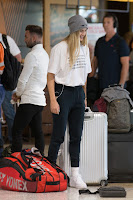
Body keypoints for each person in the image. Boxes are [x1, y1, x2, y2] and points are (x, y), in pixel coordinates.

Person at [47, 15, 92, 189]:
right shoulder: (59, 48)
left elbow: (85, 76)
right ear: (74, 30)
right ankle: (50, 171)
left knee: (76, 136)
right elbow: (50, 76)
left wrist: (84, 97)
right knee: (58, 136)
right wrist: (52, 100)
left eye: (85, 30)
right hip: (62, 92)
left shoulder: (84, 48)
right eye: (81, 30)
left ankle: (74, 174)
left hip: (78, 94)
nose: (84, 33)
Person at [10, 25, 49, 155]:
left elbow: (23, 79)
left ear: (33, 37)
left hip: (29, 99)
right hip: (39, 100)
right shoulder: (44, 54)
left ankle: (16, 161)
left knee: (16, 130)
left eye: (26, 36)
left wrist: (18, 94)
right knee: (38, 132)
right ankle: (40, 160)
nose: (25, 39)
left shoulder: (32, 55)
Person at [89, 13, 130, 94]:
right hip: (101, 84)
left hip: (116, 86)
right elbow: (95, 60)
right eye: (104, 22)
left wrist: (121, 85)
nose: (105, 25)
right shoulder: (100, 41)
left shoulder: (120, 42)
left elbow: (125, 65)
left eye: (108, 22)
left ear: (114, 24)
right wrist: (90, 76)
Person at [0, 33, 22, 144]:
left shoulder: (6, 39)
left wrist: (12, 76)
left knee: (9, 113)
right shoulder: (5, 39)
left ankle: (14, 142)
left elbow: (18, 58)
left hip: (6, 84)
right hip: (5, 84)